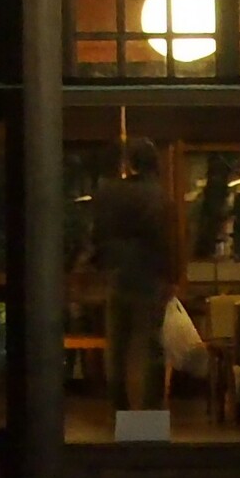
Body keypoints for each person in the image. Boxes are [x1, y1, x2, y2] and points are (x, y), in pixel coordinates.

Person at [93, 138, 176, 415]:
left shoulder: (109, 193)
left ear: (130, 163)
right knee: (151, 347)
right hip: (150, 277)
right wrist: (171, 277)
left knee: (117, 348)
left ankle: (121, 411)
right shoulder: (159, 196)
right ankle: (150, 416)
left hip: (118, 276)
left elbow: (98, 236)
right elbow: (168, 241)